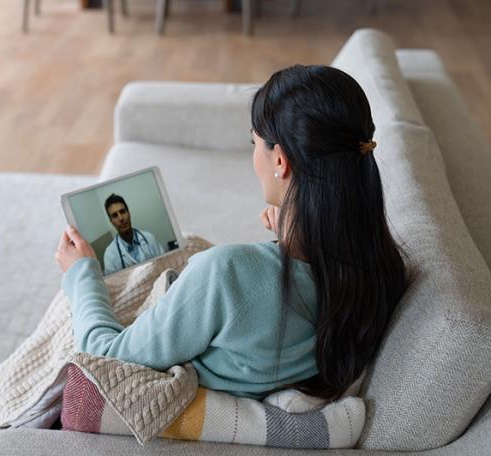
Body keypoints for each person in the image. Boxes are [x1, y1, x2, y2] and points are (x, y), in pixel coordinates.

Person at [55, 65, 409, 401]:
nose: (254, 155)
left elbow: (106, 358)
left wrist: (81, 274)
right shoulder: (382, 268)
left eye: (254, 143)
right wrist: (294, 235)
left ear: (281, 161)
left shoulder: (226, 272)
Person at [101, 194, 165, 275]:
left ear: (129, 214)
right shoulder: (110, 255)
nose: (120, 218)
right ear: (111, 222)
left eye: (122, 212)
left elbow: (165, 263)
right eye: (115, 215)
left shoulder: (149, 238)